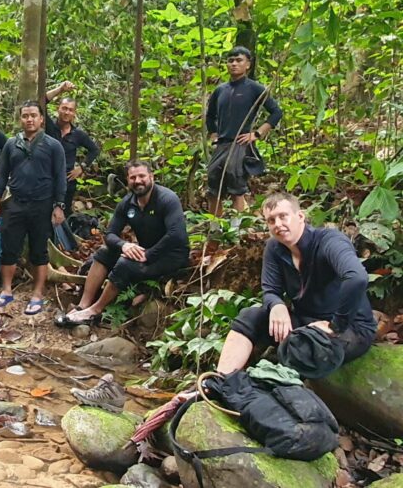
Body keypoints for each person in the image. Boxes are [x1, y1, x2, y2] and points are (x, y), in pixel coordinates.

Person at [216, 192, 377, 374]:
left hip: (349, 328)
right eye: (271, 220)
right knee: (250, 317)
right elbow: (270, 290)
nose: (278, 224)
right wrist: (276, 305)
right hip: (304, 321)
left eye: (283, 216)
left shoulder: (329, 241)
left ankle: (269, 388)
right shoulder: (274, 247)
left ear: (300, 216)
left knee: (303, 345)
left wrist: (336, 325)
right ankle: (219, 380)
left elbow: (357, 278)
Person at [59, 161, 189, 326]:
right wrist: (124, 245)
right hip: (146, 251)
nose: (138, 181)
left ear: (151, 177)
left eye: (142, 176)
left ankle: (95, 311)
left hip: (171, 256)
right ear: (128, 181)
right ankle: (83, 305)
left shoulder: (167, 199)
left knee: (125, 264)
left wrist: (148, 255)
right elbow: (110, 234)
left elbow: (176, 235)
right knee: (103, 253)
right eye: (133, 177)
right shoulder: (128, 203)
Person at [0, 101, 67, 315]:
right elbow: (2, 174)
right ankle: (6, 290)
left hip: (42, 204)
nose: (29, 119)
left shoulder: (53, 145)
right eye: (25, 116)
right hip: (16, 203)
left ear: (42, 119)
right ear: (20, 119)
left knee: (39, 250)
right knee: (9, 247)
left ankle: (37, 294)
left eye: (33, 115)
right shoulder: (11, 144)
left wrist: (59, 206)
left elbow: (61, 177)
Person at [206, 46, 283, 217]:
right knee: (213, 189)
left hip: (240, 145)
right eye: (230, 60)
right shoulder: (220, 90)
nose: (234, 64)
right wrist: (213, 134)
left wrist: (256, 134)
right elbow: (210, 116)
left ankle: (236, 230)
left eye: (239, 60)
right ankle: (214, 228)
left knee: (236, 189)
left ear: (248, 64)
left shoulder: (254, 88)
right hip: (222, 145)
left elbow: (276, 112)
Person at [44, 81, 100, 210]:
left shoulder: (78, 134)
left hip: (67, 182)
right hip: (46, 179)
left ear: (74, 113)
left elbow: (94, 150)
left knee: (63, 215)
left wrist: (82, 167)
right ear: (58, 109)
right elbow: (41, 101)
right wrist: (60, 89)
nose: (67, 112)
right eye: (64, 108)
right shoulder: (49, 126)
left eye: (70, 110)